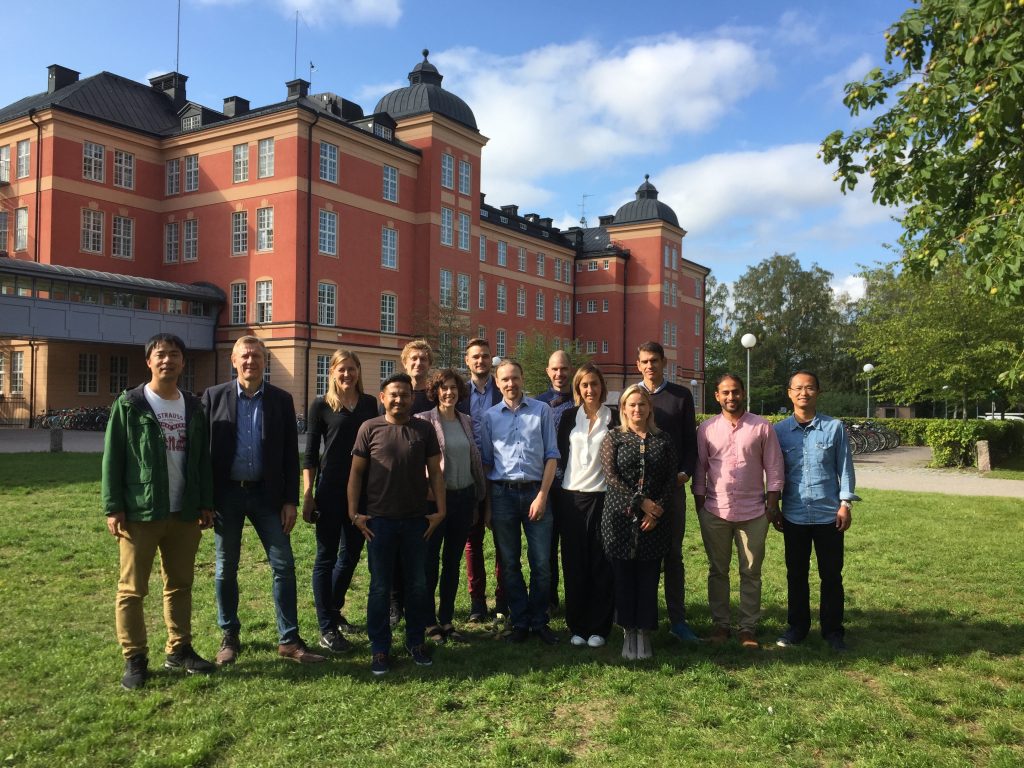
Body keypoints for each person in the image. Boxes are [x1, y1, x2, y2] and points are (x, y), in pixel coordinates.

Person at [103, 333, 215, 689]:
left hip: (184, 512)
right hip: (141, 510)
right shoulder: (130, 404)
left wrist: (205, 503)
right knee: (132, 589)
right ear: (149, 361)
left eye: (175, 355)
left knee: (180, 585)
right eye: (161, 354)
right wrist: (113, 507)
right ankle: (135, 658)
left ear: (183, 363)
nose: (168, 360)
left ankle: (179, 649)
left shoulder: (194, 407)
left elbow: (201, 460)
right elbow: (113, 458)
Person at [204, 336, 324, 665]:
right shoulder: (214, 397)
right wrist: (204, 499)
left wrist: (290, 500)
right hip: (226, 494)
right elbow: (202, 453)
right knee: (225, 568)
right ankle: (229, 635)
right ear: (233, 360)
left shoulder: (280, 400)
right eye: (244, 356)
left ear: (265, 361)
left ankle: (288, 639)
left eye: (256, 356)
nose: (250, 361)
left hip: (267, 496)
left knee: (283, 565)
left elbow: (289, 454)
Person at [348, 373, 446, 675]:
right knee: (379, 588)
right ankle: (380, 648)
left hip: (417, 521)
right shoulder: (369, 429)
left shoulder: (424, 429)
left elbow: (436, 473)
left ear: (411, 398)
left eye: (404, 394)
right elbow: (356, 475)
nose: (399, 399)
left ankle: (415, 643)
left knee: (417, 586)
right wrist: (355, 513)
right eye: (393, 394)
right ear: (382, 397)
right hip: (380, 522)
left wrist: (440, 510)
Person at [693, 374, 784, 648]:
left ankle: (747, 629)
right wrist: (700, 508)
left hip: (754, 512)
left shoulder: (762, 427)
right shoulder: (706, 429)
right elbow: (700, 469)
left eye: (735, 392)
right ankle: (721, 626)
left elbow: (775, 468)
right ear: (717, 397)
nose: (730, 397)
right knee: (718, 571)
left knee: (751, 572)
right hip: (715, 510)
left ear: (743, 393)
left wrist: (771, 505)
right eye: (725, 393)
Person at [773, 370, 857, 652]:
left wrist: (845, 504)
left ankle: (833, 631)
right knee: (795, 574)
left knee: (831, 576)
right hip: (794, 515)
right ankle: (797, 627)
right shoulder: (779, 431)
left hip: (828, 514)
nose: (803, 393)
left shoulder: (834, 428)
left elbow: (845, 468)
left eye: (809, 388)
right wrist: (773, 505)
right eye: (797, 388)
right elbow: (775, 472)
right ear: (789, 393)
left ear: (818, 392)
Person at [301, 349, 378, 653]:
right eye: (341, 370)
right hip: (330, 490)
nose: (347, 375)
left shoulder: (370, 404)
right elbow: (309, 455)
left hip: (363, 491)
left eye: (352, 369)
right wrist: (308, 494)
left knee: (351, 555)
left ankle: (333, 611)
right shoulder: (321, 406)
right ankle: (326, 627)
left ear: (359, 371)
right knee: (326, 557)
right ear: (332, 372)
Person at [480, 359, 560, 644]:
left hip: (536, 492)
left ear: (523, 378)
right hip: (502, 495)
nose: (510, 384)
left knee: (541, 563)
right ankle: (520, 621)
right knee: (510, 563)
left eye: (515, 378)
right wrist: (489, 506)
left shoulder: (542, 411)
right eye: (504, 380)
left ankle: (539, 621)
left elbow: (552, 455)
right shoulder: (489, 418)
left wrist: (542, 495)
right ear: (497, 383)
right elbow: (488, 465)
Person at [601, 385, 678, 660]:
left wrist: (655, 511)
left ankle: (644, 632)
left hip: (654, 521)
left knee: (647, 578)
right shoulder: (614, 438)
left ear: (649, 408)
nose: (637, 410)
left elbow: (671, 479)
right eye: (631, 405)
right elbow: (611, 477)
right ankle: (628, 631)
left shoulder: (663, 439)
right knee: (623, 578)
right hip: (620, 519)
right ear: (623, 409)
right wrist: (640, 502)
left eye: (641, 405)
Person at [416, 369, 487, 642]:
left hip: (464, 498)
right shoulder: (423, 421)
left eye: (453, 388)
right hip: (435, 502)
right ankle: (428, 621)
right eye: (444, 388)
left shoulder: (466, 420)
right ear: (436, 392)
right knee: (429, 563)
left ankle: (446, 620)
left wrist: (479, 498)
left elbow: (473, 459)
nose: (449, 393)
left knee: (452, 563)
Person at [636, 341, 699, 643]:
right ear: (639, 365)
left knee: (673, 555)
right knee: (640, 556)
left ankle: (678, 620)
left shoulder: (680, 396)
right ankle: (642, 619)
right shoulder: (632, 397)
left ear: (664, 363)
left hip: (672, 490)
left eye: (655, 361)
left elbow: (690, 441)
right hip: (638, 493)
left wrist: (685, 472)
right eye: (645, 361)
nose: (650, 366)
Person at [556, 362, 616, 648]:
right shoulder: (569, 417)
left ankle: (599, 627)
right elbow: (559, 455)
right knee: (573, 563)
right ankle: (577, 626)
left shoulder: (614, 418)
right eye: (584, 385)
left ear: (602, 387)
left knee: (600, 563)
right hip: (572, 498)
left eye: (594, 384)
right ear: (577, 389)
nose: (589, 389)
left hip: (603, 498)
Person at [455, 338, 505, 622]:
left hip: (498, 474)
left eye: (485, 356)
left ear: (491, 360)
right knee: (472, 542)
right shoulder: (459, 394)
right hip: (468, 476)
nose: (480, 361)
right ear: (467, 361)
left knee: (503, 541)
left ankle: (502, 600)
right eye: (475, 357)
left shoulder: (503, 391)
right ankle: (477, 602)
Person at [389, 338, 436, 628]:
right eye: (413, 359)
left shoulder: (433, 396)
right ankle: (395, 604)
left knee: (423, 550)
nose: (418, 363)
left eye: (423, 359)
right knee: (395, 549)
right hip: (397, 483)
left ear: (429, 364)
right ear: (405, 363)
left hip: (427, 484)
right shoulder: (396, 393)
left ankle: (420, 603)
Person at [536, 349, 574, 613]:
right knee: (546, 547)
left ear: (570, 370)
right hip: (547, 484)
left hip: (574, 485)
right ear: (548, 372)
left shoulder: (581, 400)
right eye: (555, 369)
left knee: (571, 546)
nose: (559, 374)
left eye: (564, 369)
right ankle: (548, 599)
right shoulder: (538, 404)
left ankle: (575, 597)